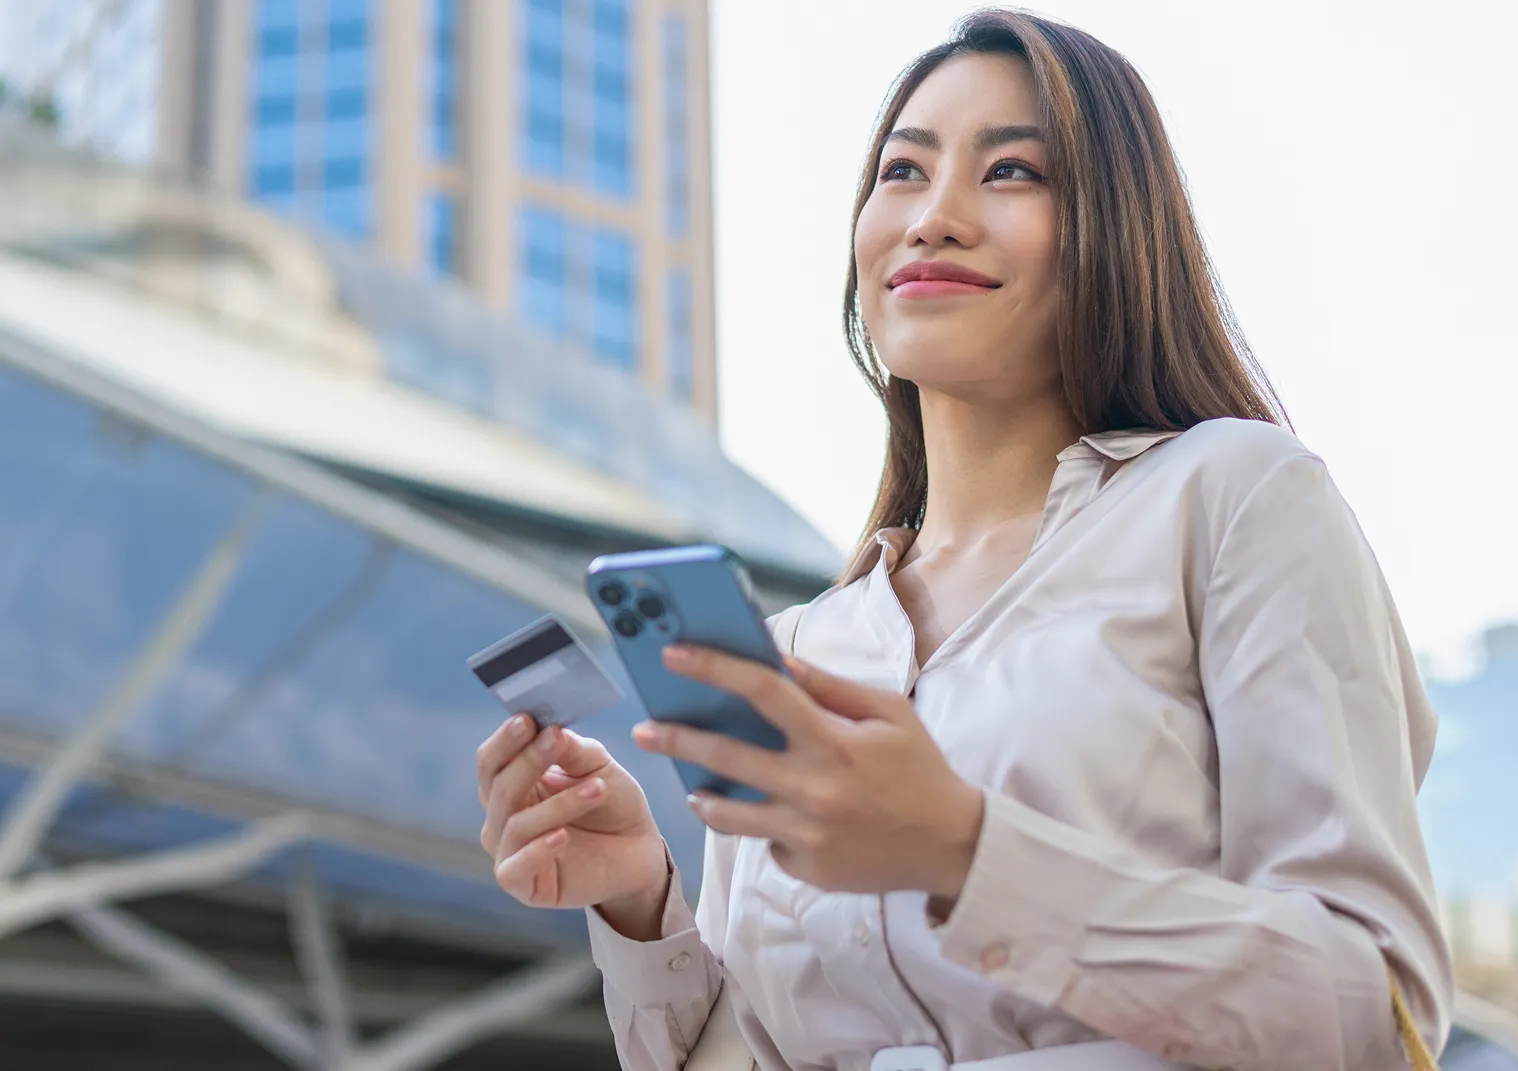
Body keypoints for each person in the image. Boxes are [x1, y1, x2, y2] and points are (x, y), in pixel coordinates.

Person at [474, 9, 1452, 1070]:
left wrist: (966, 851)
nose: (933, 217)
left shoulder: (1232, 498)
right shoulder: (803, 650)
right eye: (902, 171)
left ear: (1115, 229)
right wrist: (640, 902)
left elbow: (1374, 1013)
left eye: (1011, 171)